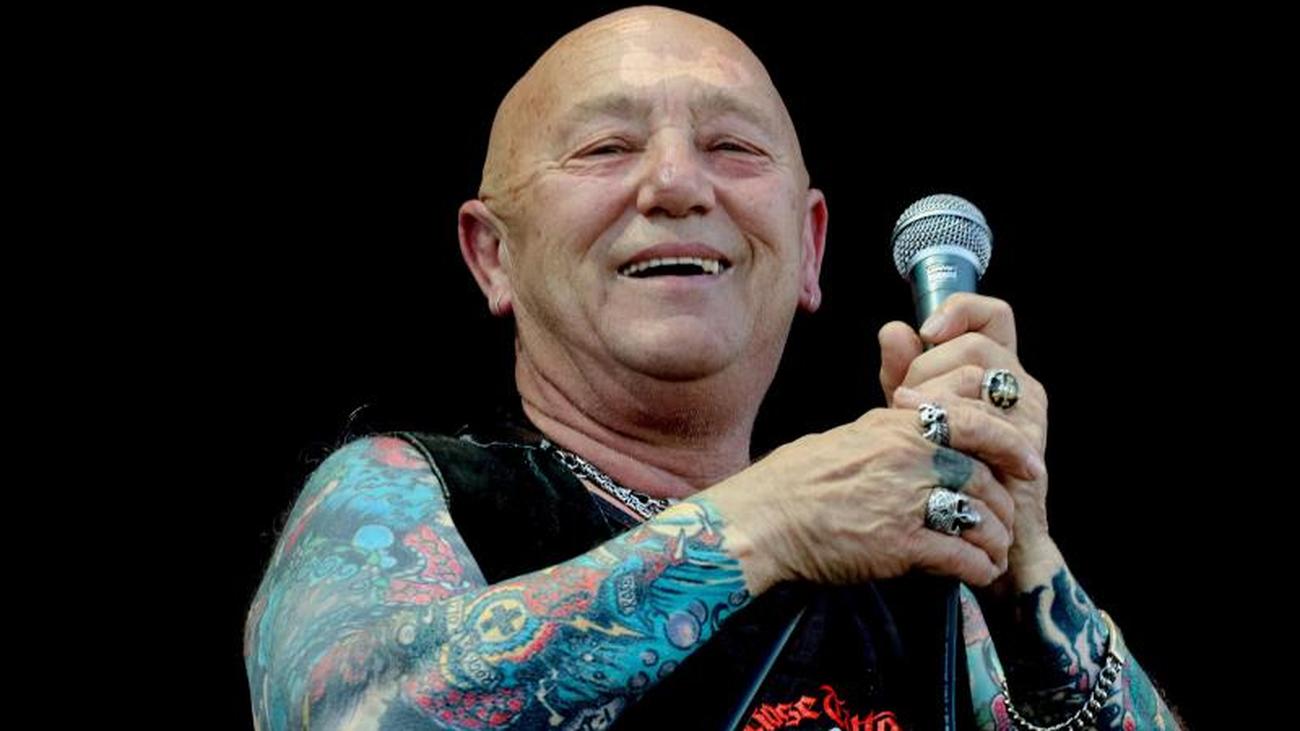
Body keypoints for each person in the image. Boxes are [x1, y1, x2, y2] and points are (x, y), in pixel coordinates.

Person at [244, 6, 1182, 730]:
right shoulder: (408, 491)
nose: (677, 184)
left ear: (810, 250)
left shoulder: (912, 564)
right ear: (494, 255)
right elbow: (349, 716)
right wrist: (770, 519)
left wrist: (1025, 566)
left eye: (732, 147)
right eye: (606, 147)